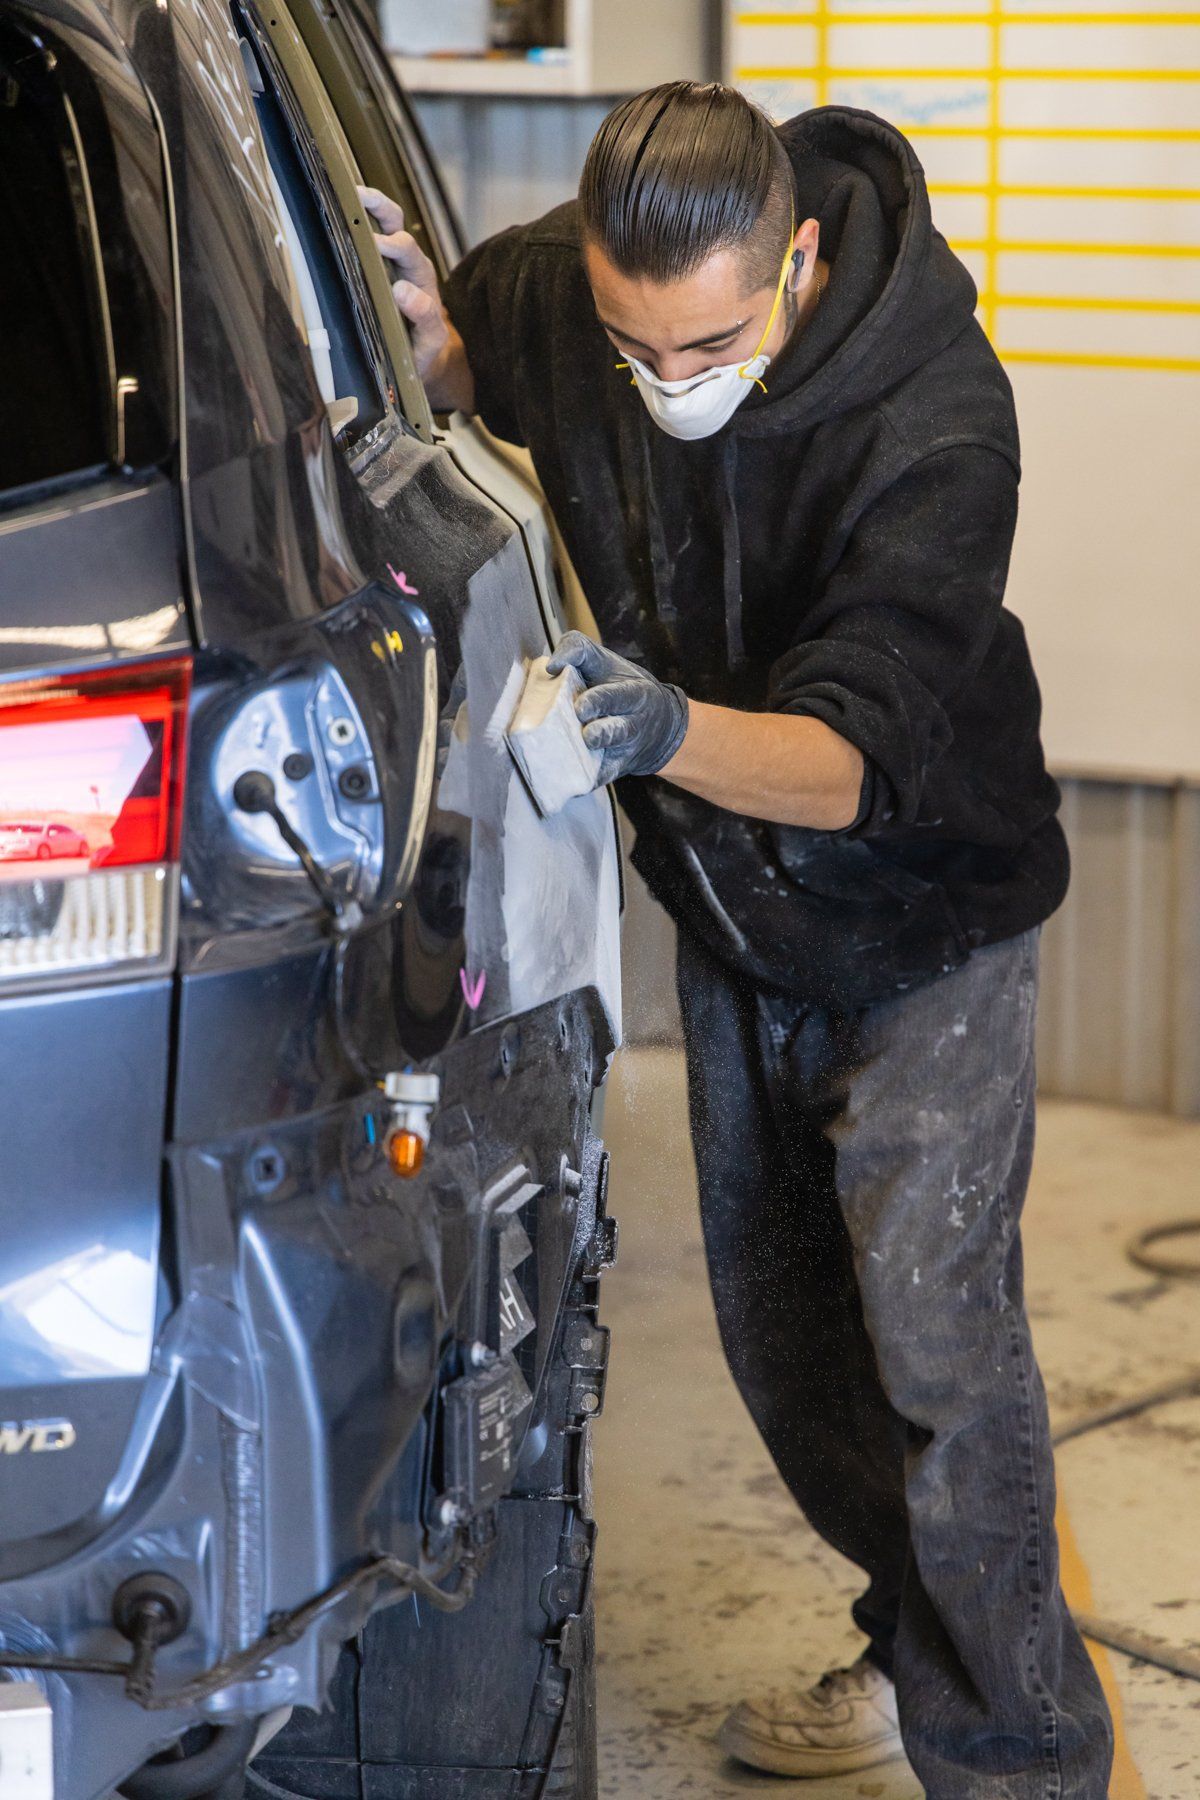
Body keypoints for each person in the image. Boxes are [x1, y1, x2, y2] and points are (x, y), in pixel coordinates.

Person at [362, 82, 1114, 1798]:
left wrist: (651, 730)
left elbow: (849, 768)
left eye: (703, 346)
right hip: (733, 909)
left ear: (797, 257)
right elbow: (484, 354)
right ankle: (908, 1642)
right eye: (634, 347)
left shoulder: (937, 418)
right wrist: (432, 344)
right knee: (792, 1354)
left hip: (925, 907)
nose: (663, 382)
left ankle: (1024, 1760)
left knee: (933, 1342)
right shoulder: (585, 288)